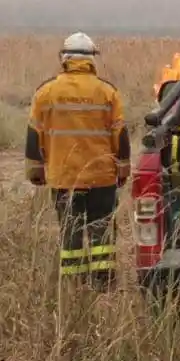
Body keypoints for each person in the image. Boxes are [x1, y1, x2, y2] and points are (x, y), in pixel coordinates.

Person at [26, 32, 129, 288]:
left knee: (70, 232)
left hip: (64, 177)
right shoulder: (108, 92)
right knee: (101, 231)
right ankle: (103, 283)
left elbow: (33, 135)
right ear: (92, 59)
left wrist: (35, 171)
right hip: (102, 177)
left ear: (64, 58)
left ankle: (73, 285)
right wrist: (123, 169)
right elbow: (121, 135)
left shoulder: (46, 92)